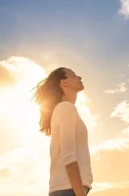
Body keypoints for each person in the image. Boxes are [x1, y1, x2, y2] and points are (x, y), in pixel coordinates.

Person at [33, 67, 93, 196]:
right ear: (64, 82)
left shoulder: (62, 109)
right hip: (69, 190)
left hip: (66, 189)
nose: (80, 77)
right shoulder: (66, 108)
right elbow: (68, 156)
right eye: (74, 75)